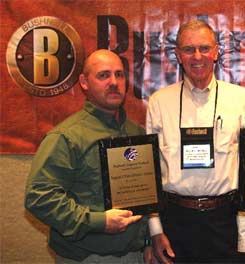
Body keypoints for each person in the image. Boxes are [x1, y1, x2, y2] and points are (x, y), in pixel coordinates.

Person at [25, 49, 151, 263]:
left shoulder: (136, 133)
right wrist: (98, 221)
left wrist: (149, 239)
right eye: (103, 75)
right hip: (87, 257)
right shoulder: (67, 136)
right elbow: (39, 197)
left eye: (119, 75)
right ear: (84, 82)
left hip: (135, 255)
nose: (113, 82)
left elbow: (145, 197)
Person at [146, 20, 245, 263]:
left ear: (216, 52)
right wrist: (155, 231)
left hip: (225, 221)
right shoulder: (159, 102)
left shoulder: (241, 100)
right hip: (175, 221)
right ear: (178, 55)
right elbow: (149, 173)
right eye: (188, 49)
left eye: (204, 48)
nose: (197, 56)